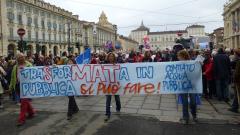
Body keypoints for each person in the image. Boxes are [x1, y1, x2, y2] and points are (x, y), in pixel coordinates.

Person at [9, 53, 35, 126]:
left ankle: (21, 119)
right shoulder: (15, 67)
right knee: (24, 101)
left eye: (22, 57)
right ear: (17, 58)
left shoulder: (29, 65)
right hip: (18, 86)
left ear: (25, 58)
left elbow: (34, 74)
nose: (21, 58)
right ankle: (31, 113)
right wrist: (11, 87)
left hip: (26, 86)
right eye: (19, 57)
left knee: (23, 103)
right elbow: (13, 78)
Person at [177, 50, 198, 125]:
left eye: (179, 56)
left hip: (192, 85)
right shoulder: (178, 64)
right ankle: (185, 117)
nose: (178, 57)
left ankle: (194, 114)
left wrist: (199, 65)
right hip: (183, 85)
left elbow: (196, 72)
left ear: (183, 56)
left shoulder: (191, 63)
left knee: (193, 101)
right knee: (184, 102)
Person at [105, 52, 121, 122]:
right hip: (108, 85)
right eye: (110, 56)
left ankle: (118, 107)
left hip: (115, 84)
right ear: (108, 57)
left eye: (112, 56)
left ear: (114, 57)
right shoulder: (105, 65)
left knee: (117, 98)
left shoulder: (117, 64)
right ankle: (108, 113)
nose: (111, 57)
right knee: (108, 99)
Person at [229, 48, 240, 113]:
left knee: (237, 95)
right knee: (236, 96)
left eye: (235, 54)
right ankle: (234, 107)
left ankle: (234, 107)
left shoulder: (239, 61)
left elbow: (237, 73)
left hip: (238, 82)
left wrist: (234, 81)